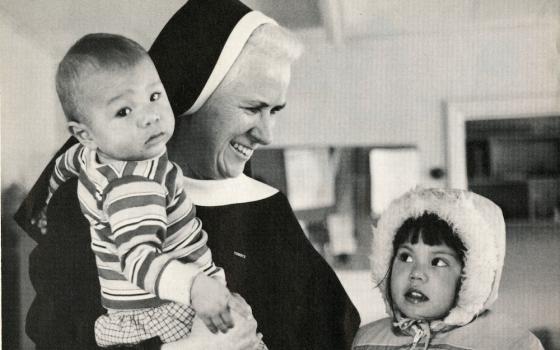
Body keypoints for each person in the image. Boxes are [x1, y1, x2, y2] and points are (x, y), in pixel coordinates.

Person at [15, 0, 361, 349]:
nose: (267, 134)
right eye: (252, 108)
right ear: (195, 95)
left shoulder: (269, 211)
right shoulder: (86, 201)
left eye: (275, 111)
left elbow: (333, 333)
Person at [29, 32, 267, 348]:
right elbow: (138, 259)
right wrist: (197, 288)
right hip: (171, 311)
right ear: (85, 133)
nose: (150, 117)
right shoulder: (135, 185)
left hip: (141, 311)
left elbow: (65, 165)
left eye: (154, 96)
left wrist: (43, 206)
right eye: (124, 111)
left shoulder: (91, 155)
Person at [352, 188, 545, 350]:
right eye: (406, 257)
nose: (416, 273)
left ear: (471, 278)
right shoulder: (365, 342)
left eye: (438, 262)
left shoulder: (513, 345)